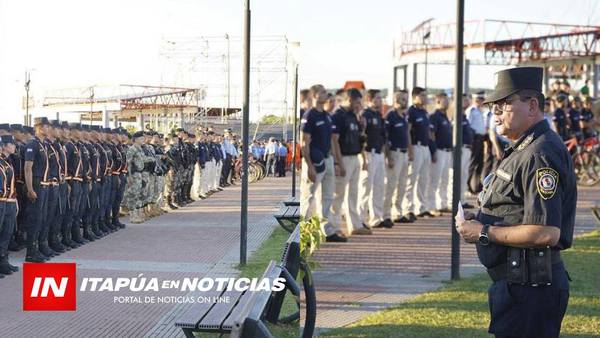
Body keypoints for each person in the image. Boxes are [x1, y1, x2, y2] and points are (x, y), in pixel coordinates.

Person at [456, 67, 576, 338]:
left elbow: (545, 231)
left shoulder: (539, 153)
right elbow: (515, 208)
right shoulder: (523, 148)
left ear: (532, 106)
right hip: (518, 285)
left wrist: (483, 232)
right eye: (494, 107)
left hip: (531, 288)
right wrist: (483, 217)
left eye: (504, 104)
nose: (495, 113)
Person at [299, 84, 337, 240]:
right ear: (314, 95)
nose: (325, 94)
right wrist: (309, 167)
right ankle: (304, 235)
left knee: (327, 197)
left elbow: (332, 140)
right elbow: (303, 143)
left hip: (328, 160)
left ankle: (325, 231)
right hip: (315, 162)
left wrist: (336, 162)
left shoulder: (327, 116)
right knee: (308, 197)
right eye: (322, 92)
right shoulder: (310, 115)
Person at [330, 88, 368, 238]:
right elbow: (335, 141)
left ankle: (355, 225)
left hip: (355, 156)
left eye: (360, 102)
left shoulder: (354, 116)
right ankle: (334, 226)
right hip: (344, 157)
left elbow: (360, 138)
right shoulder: (338, 116)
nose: (359, 105)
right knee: (338, 195)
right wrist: (338, 162)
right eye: (357, 102)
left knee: (353, 194)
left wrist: (362, 126)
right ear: (349, 100)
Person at [403, 87, 433, 221]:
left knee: (423, 179)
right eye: (422, 96)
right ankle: (408, 208)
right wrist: (410, 150)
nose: (425, 98)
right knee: (411, 179)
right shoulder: (412, 111)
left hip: (425, 147)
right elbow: (407, 131)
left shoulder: (424, 112)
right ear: (415, 97)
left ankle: (421, 207)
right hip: (415, 146)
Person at [382, 90, 412, 225]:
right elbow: (386, 137)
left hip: (404, 153)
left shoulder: (404, 116)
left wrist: (410, 151)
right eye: (401, 99)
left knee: (402, 184)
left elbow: (407, 134)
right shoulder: (390, 116)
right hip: (394, 153)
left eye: (405, 99)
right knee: (391, 185)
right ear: (395, 100)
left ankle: (397, 212)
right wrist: (388, 156)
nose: (404, 102)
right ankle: (386, 214)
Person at [24, 117, 51, 262]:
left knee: (41, 217)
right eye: (46, 126)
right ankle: (30, 252)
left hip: (44, 185)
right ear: (39, 127)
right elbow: (28, 168)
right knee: (34, 219)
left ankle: (37, 248)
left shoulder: (44, 144)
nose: (49, 129)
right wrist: (30, 189)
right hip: (36, 184)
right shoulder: (32, 144)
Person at [358, 89, 386, 228]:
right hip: (369, 153)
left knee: (379, 188)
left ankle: (376, 218)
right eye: (377, 99)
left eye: (381, 99)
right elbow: (361, 136)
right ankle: (360, 220)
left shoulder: (379, 115)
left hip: (379, 153)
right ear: (370, 100)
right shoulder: (365, 115)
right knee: (365, 189)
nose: (380, 101)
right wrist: (363, 157)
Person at [427, 92, 452, 215]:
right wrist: (434, 150)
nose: (447, 103)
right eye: (444, 100)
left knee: (444, 180)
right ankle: (431, 206)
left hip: (447, 152)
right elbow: (431, 134)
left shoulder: (445, 116)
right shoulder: (435, 116)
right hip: (439, 150)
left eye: (448, 100)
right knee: (434, 180)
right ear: (437, 101)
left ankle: (442, 203)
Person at [0, 135, 19, 276]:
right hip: (1, 201)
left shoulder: (8, 162)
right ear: (5, 146)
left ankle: (4, 261)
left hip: (9, 202)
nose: (14, 146)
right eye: (11, 144)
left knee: (7, 232)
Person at [466, 91, 487, 194]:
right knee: (472, 163)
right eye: (481, 99)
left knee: (479, 164)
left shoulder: (479, 111)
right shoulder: (471, 110)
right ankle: (467, 186)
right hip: (474, 139)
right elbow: (468, 126)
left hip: (481, 139)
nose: (483, 102)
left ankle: (476, 186)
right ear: (476, 100)